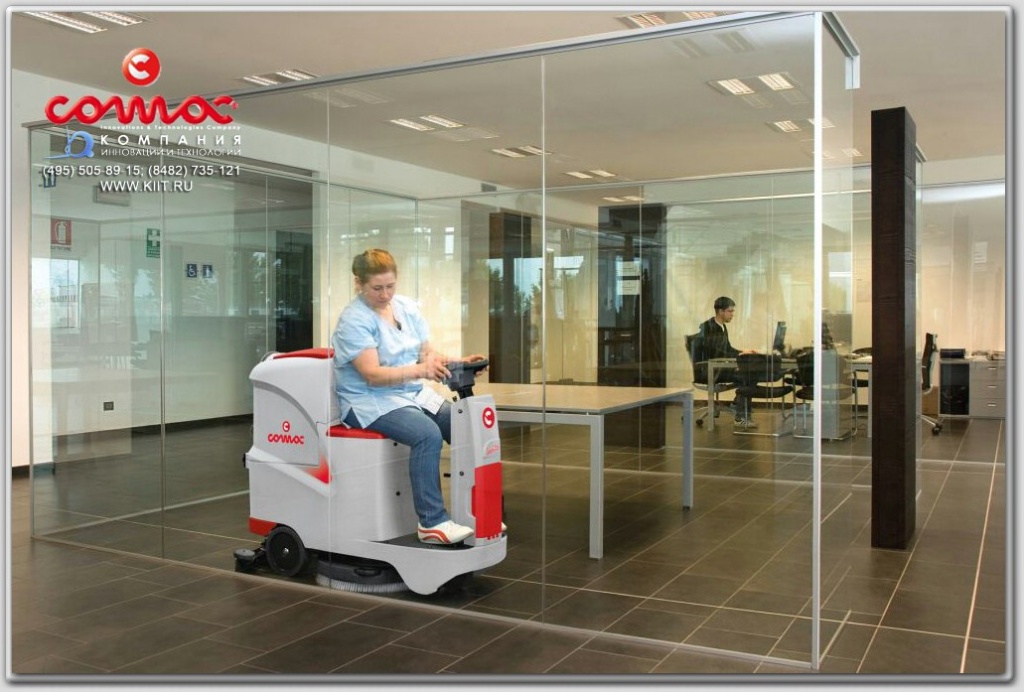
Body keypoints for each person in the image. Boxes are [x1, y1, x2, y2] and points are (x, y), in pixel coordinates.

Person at [331, 248, 487, 545]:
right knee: (427, 434)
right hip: (368, 401)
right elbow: (372, 374)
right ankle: (432, 522)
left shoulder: (405, 308)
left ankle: (474, 511)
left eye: (390, 286)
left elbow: (426, 355)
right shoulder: (354, 320)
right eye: (377, 288)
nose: (385, 294)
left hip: (409, 394)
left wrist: (458, 363)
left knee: (462, 425)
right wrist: (421, 370)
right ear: (358, 283)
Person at [698, 296, 759, 428]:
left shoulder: (722, 326)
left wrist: (743, 351)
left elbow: (727, 349)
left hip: (719, 367)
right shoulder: (709, 327)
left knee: (752, 373)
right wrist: (738, 358)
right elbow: (717, 352)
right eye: (730, 311)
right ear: (721, 311)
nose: (732, 314)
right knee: (747, 375)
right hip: (711, 370)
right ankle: (740, 415)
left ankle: (738, 405)